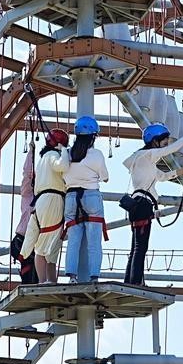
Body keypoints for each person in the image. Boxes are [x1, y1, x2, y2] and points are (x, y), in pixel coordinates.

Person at [120, 122, 183, 288]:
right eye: (164, 141)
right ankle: (135, 282)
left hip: (138, 204)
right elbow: (171, 150)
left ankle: (131, 281)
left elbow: (161, 176)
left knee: (137, 247)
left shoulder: (143, 161)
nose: (165, 145)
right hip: (143, 204)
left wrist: (180, 172)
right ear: (155, 141)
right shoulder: (147, 156)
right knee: (140, 247)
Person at [62, 116, 110, 284]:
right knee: (94, 243)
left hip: (71, 198)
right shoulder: (96, 154)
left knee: (73, 242)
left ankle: (72, 277)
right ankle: (94, 277)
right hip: (91, 197)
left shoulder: (67, 153)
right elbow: (105, 177)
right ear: (93, 136)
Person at [18, 129, 70, 283]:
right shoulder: (53, 156)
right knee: (46, 245)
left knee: (48, 246)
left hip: (42, 201)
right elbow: (63, 166)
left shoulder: (42, 161)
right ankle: (45, 281)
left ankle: (48, 281)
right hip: (52, 199)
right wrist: (65, 152)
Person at [12, 145, 39, 284]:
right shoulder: (28, 195)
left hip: (30, 242)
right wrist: (31, 153)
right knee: (31, 271)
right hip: (23, 240)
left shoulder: (41, 198)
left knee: (34, 272)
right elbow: (27, 175)